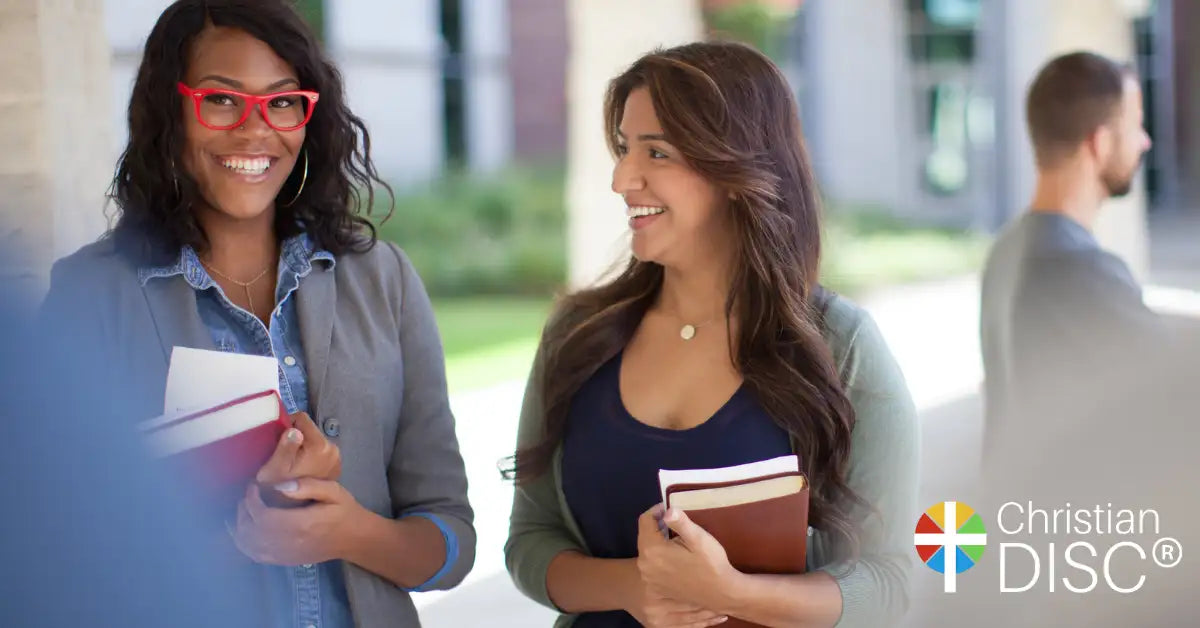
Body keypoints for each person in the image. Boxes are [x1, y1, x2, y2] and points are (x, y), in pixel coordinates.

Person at [37, 1, 474, 626]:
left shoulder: (383, 279)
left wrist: (347, 533)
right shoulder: (91, 298)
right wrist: (246, 531)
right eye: (221, 100)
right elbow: (55, 561)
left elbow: (452, 542)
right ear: (170, 109)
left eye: (282, 100)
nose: (255, 129)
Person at [504, 41, 920, 628]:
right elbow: (530, 542)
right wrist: (632, 587)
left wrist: (733, 595)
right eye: (625, 149)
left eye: (657, 152)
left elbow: (887, 581)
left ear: (733, 169)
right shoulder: (577, 336)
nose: (623, 178)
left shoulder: (842, 346)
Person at [978, 51, 1167, 461]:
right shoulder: (1080, 269)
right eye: (1135, 125)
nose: (1145, 141)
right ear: (1099, 143)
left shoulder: (1007, 251)